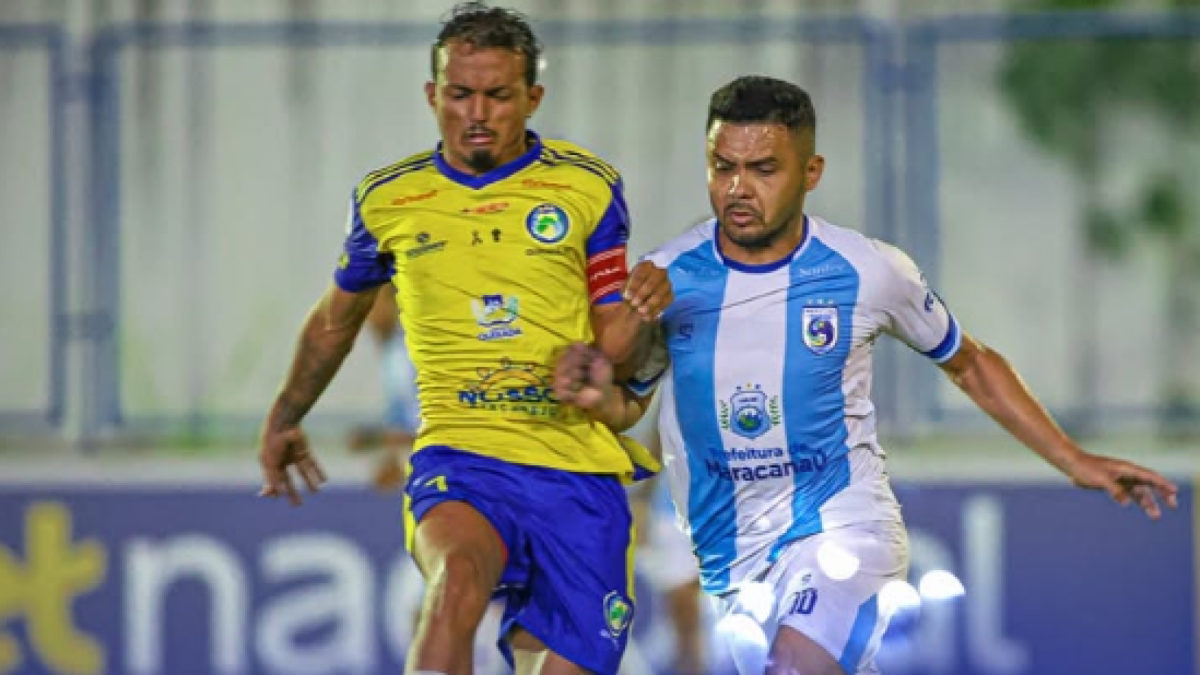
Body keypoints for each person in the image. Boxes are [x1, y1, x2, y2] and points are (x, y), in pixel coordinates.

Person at [552, 75, 1180, 675]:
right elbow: (628, 405)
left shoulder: (868, 270)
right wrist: (593, 391)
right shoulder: (668, 275)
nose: (738, 188)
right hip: (733, 563)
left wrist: (1073, 459)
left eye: (764, 169)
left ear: (811, 172)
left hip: (845, 528)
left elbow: (968, 362)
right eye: (723, 167)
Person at [255, 4, 672, 675]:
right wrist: (285, 415)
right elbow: (337, 319)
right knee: (454, 585)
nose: (476, 113)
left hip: (577, 472)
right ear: (432, 95)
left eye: (498, 95)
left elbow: (612, 340)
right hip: (462, 457)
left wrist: (632, 329)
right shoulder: (388, 200)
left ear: (533, 98)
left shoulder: (586, 186)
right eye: (459, 94)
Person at [346, 288, 420, 491]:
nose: (365, 316)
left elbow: (431, 428)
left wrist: (375, 440)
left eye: (370, 305)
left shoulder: (408, 353)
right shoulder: (392, 351)